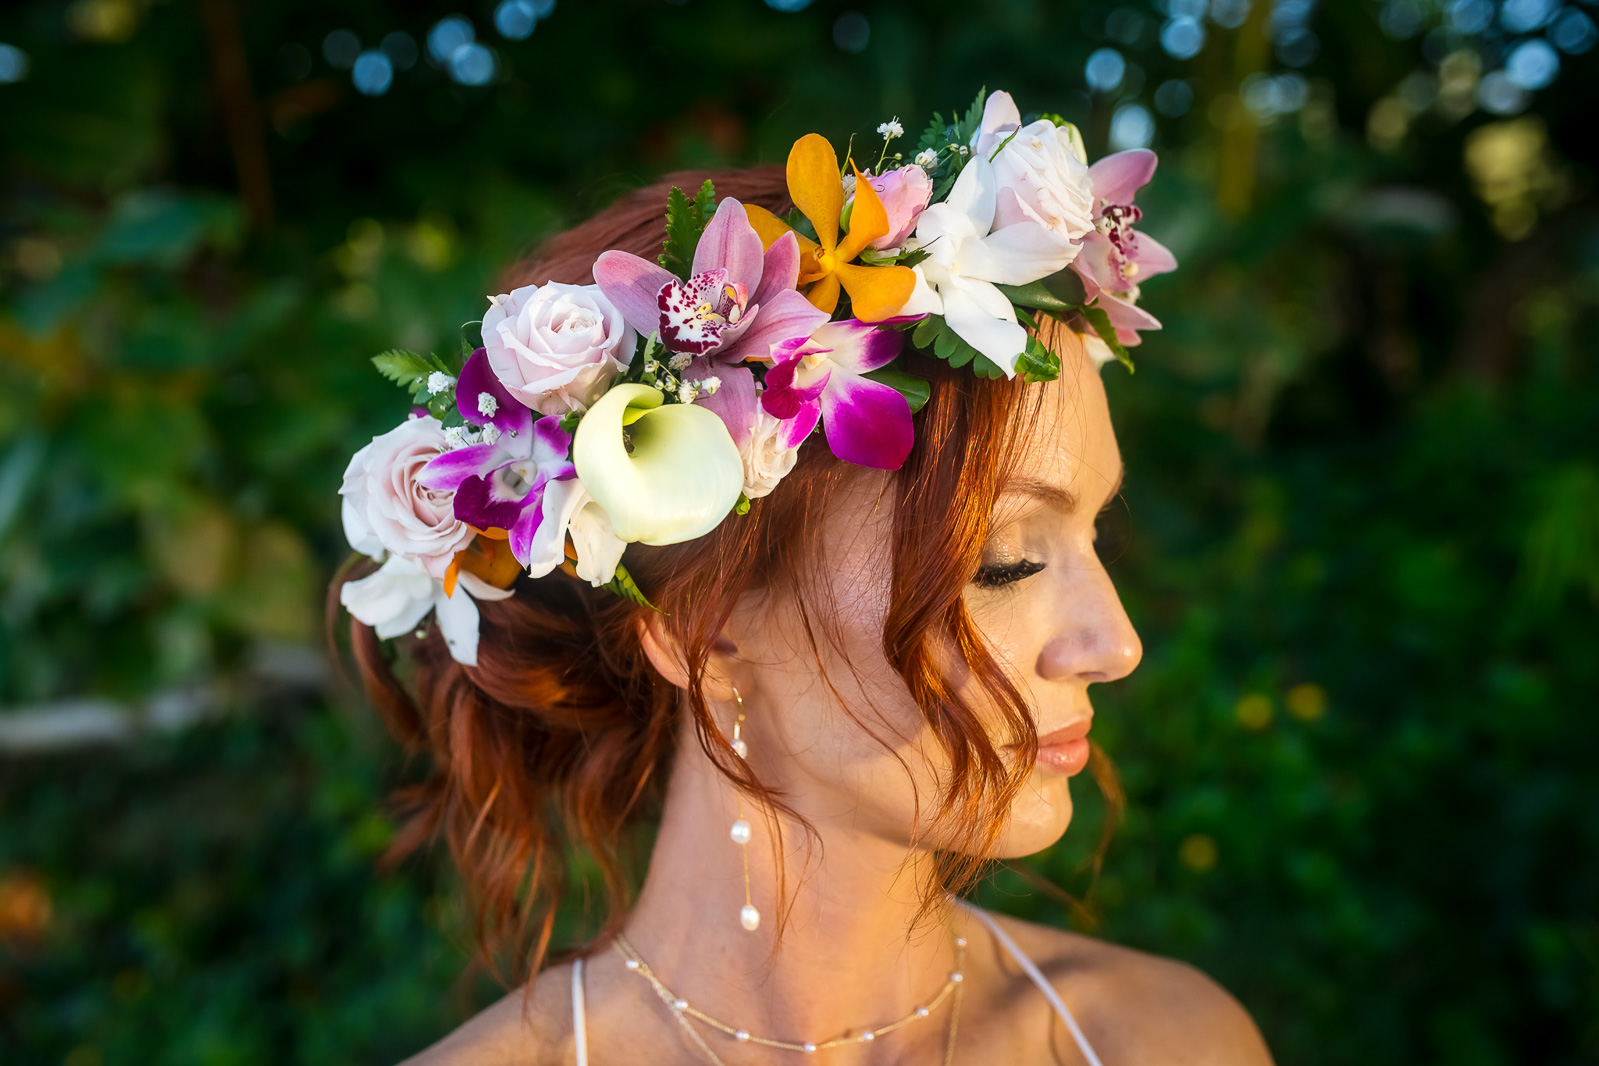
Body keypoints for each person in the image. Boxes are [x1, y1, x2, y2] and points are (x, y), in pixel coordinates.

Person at [338, 131, 1274, 1064]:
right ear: (708, 631)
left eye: (1094, 534)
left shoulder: (1168, 1041)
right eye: (1007, 559)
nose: (1114, 644)